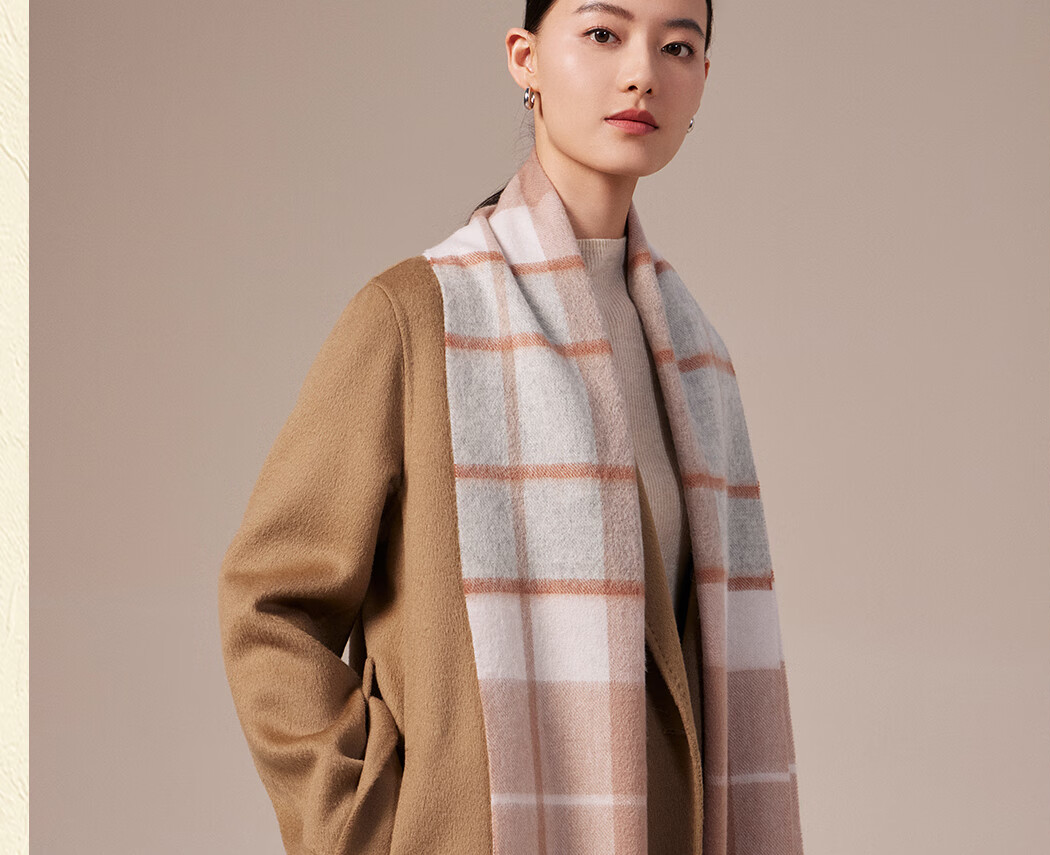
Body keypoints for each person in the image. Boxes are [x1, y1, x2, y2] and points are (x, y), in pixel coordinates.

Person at [217, 1, 804, 853]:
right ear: (525, 59)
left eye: (678, 46)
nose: (641, 72)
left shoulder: (698, 361)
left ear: (703, 80)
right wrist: (372, 827)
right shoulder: (421, 317)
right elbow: (269, 606)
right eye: (603, 33)